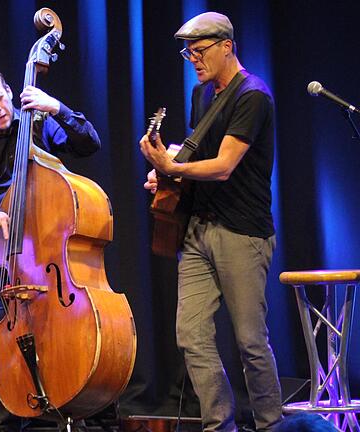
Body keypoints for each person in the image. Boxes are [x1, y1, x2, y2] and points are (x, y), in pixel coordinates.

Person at [139, 12, 282, 432]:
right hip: (199, 229)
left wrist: (174, 167)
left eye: (199, 51)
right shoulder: (203, 94)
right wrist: (166, 166)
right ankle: (220, 424)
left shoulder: (253, 96)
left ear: (227, 46)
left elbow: (223, 166)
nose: (193, 59)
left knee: (250, 342)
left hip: (242, 232)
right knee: (191, 335)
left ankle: (271, 425)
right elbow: (199, 148)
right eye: (188, 53)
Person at [0, 66, 101, 431]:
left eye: (0, 98)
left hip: (42, 246)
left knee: (56, 326)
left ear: (9, 90)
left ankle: (64, 407)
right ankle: (3, 418)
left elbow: (89, 144)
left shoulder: (36, 122)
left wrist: (57, 109)